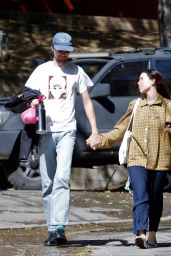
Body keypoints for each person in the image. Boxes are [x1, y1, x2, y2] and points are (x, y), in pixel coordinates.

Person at [25, 32, 99, 246]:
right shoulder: (42, 70)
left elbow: (87, 102)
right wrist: (31, 103)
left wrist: (94, 130)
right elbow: (27, 95)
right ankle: (51, 228)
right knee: (47, 182)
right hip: (45, 131)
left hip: (67, 131)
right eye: (60, 49)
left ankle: (59, 229)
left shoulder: (77, 71)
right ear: (52, 48)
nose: (63, 54)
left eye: (67, 50)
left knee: (62, 178)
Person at [86, 69, 171, 249]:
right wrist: (100, 140)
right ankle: (140, 233)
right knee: (141, 195)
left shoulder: (168, 107)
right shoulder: (135, 105)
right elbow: (119, 130)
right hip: (136, 158)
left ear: (154, 80)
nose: (138, 83)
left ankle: (152, 235)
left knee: (155, 198)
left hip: (160, 158)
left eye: (141, 79)